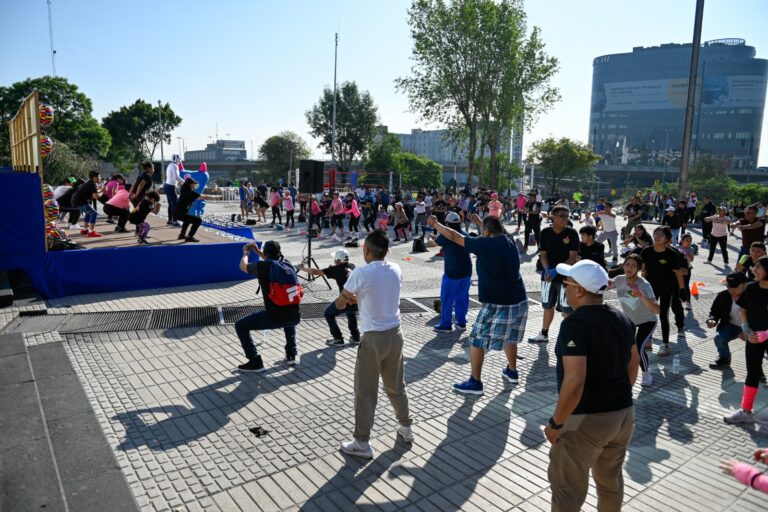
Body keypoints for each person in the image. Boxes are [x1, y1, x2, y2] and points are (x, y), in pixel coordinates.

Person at [544, 259, 639, 512]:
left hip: (585, 418)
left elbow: (575, 381)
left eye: (566, 284)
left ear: (579, 290)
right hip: (623, 414)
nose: (564, 289)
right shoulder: (621, 317)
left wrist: (556, 424)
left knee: (567, 490)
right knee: (609, 482)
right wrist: (616, 397)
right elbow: (634, 364)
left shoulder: (575, 324)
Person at [428, 214, 528, 395]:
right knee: (510, 337)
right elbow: (494, 230)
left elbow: (453, 236)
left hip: (497, 301)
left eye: (483, 230)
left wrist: (435, 223)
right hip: (519, 298)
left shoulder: (484, 244)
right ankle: (512, 371)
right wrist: (480, 222)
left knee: (476, 339)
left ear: (487, 232)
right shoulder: (509, 239)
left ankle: (475, 382)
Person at [337, 231, 413, 459]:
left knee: (365, 391)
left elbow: (342, 303)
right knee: (396, 385)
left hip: (372, 338)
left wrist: (349, 294)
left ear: (366, 250)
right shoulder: (396, 269)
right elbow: (378, 294)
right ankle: (406, 427)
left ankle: (361, 442)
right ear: (387, 250)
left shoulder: (360, 273)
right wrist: (358, 295)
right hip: (395, 334)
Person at [235, 240, 301, 372]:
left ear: (265, 253)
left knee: (240, 325)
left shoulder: (262, 266)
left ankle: (255, 361)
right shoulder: (287, 264)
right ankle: (291, 354)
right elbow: (271, 260)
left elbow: (243, 266)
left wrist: (246, 252)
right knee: (287, 315)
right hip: (295, 317)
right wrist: (258, 251)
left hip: (274, 317)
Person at [724, 257, 768, 425]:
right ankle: (746, 411)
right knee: (753, 373)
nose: (754, 268)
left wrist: (766, 334)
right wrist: (746, 330)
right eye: (754, 266)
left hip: (765, 336)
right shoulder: (751, 288)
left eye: (758, 267)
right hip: (754, 337)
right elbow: (743, 311)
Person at [529, 205, 579, 343]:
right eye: (562, 215)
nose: (565, 218)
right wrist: (547, 270)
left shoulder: (572, 233)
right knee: (547, 305)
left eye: (567, 215)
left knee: (567, 309)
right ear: (553, 216)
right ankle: (544, 334)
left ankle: (569, 337)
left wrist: (557, 270)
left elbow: (573, 257)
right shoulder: (545, 232)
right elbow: (543, 254)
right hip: (547, 276)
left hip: (566, 277)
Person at [612, 254, 660, 386]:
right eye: (627, 264)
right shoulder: (619, 280)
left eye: (634, 266)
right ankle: (623, 373)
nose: (629, 268)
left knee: (638, 348)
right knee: (625, 348)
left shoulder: (644, 284)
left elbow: (656, 309)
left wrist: (641, 295)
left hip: (647, 321)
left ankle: (646, 374)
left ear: (639, 268)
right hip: (630, 321)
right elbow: (603, 286)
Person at [297, 250, 360, 346]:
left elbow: (315, 272)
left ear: (338, 260)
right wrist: (333, 269)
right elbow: (342, 273)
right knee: (350, 313)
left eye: (335, 259)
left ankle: (338, 339)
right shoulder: (352, 266)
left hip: (346, 299)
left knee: (328, 314)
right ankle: (356, 337)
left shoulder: (336, 269)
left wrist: (302, 268)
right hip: (356, 300)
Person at [641, 227, 685, 357]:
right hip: (650, 287)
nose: (657, 236)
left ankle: (665, 344)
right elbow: (643, 270)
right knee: (648, 313)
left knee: (663, 314)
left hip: (666, 287)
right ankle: (648, 340)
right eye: (655, 233)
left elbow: (678, 273)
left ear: (667, 239)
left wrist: (682, 290)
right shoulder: (646, 251)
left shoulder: (672, 254)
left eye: (661, 234)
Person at [428, 211, 472, 332]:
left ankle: (446, 325)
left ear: (447, 223)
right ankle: (461, 322)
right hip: (467, 271)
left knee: (447, 298)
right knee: (462, 298)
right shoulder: (465, 234)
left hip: (452, 272)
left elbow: (432, 244)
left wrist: (428, 238)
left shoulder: (445, 235)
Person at [707, 272, 748, 369]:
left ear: (745, 284)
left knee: (757, 347)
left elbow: (759, 317)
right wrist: (712, 320)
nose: (731, 289)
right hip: (730, 325)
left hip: (750, 327)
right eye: (729, 287)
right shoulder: (723, 295)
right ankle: (725, 358)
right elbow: (714, 311)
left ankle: (758, 372)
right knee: (719, 338)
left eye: (735, 287)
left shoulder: (752, 297)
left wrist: (746, 331)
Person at [176, 178, 216, 243]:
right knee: (198, 220)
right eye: (194, 184)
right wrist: (217, 197)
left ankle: (182, 235)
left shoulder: (184, 190)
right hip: (180, 214)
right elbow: (203, 197)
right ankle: (190, 237)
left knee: (188, 218)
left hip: (177, 213)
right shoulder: (190, 192)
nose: (195, 186)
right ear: (190, 185)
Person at [71, 170, 102, 238]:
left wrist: (101, 191)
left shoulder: (90, 183)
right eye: (99, 176)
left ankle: (84, 229)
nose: (100, 178)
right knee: (94, 213)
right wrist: (103, 192)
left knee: (89, 213)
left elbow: (94, 194)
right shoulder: (92, 184)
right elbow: (95, 197)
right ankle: (91, 231)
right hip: (80, 201)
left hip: (78, 200)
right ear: (94, 177)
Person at [596, 201, 619, 266]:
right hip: (605, 232)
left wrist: (604, 212)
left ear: (610, 208)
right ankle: (596, 254)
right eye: (604, 207)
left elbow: (613, 216)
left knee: (613, 244)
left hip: (613, 232)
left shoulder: (613, 212)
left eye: (606, 207)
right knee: (597, 242)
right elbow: (594, 215)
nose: (605, 208)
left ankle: (615, 256)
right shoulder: (602, 213)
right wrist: (597, 213)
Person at [164, 155, 184, 226]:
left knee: (171, 204)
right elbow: (176, 177)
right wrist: (185, 181)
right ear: (177, 160)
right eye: (179, 160)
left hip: (167, 185)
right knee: (175, 204)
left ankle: (170, 220)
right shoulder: (175, 166)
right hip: (170, 187)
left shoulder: (170, 165)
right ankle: (175, 221)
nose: (180, 162)